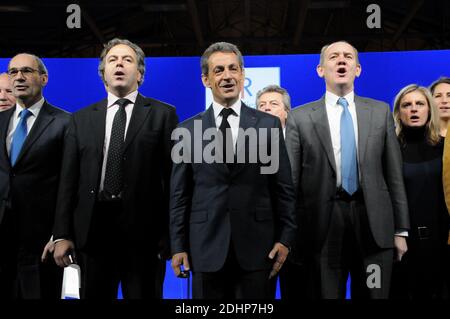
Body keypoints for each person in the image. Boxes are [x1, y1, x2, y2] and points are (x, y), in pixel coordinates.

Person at [52, 38, 178, 299]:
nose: (119, 64)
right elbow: (68, 181)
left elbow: (172, 180)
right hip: (93, 232)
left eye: (127, 60)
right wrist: (62, 234)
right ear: (103, 74)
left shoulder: (163, 114)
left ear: (140, 74)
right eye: (113, 60)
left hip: (145, 237)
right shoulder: (81, 118)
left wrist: (171, 236)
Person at [170, 42, 297, 299]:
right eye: (218, 71)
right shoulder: (187, 130)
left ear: (242, 75)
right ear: (206, 79)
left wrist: (286, 238)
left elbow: (282, 188)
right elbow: (179, 195)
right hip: (205, 247)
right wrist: (178, 246)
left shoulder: (268, 124)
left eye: (233, 69)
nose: (227, 76)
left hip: (259, 248)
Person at [285, 41, 409, 299]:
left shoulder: (380, 111)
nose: (341, 61)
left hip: (374, 224)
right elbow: (291, 183)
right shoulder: (300, 117)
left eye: (348, 56)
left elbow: (394, 175)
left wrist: (400, 229)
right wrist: (289, 234)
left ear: (358, 69)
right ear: (320, 70)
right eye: (333, 57)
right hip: (322, 227)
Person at [0, 53, 70, 299]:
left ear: (44, 78)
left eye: (26, 71)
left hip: (41, 243)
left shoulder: (65, 123)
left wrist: (61, 233)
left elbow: (69, 183)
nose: (19, 77)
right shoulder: (0, 121)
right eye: (13, 72)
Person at [389, 84, 449, 299]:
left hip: (442, 242)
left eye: (419, 104)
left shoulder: (446, 147)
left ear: (429, 109)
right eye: (407, 105)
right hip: (403, 244)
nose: (413, 109)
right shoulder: (390, 150)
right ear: (398, 112)